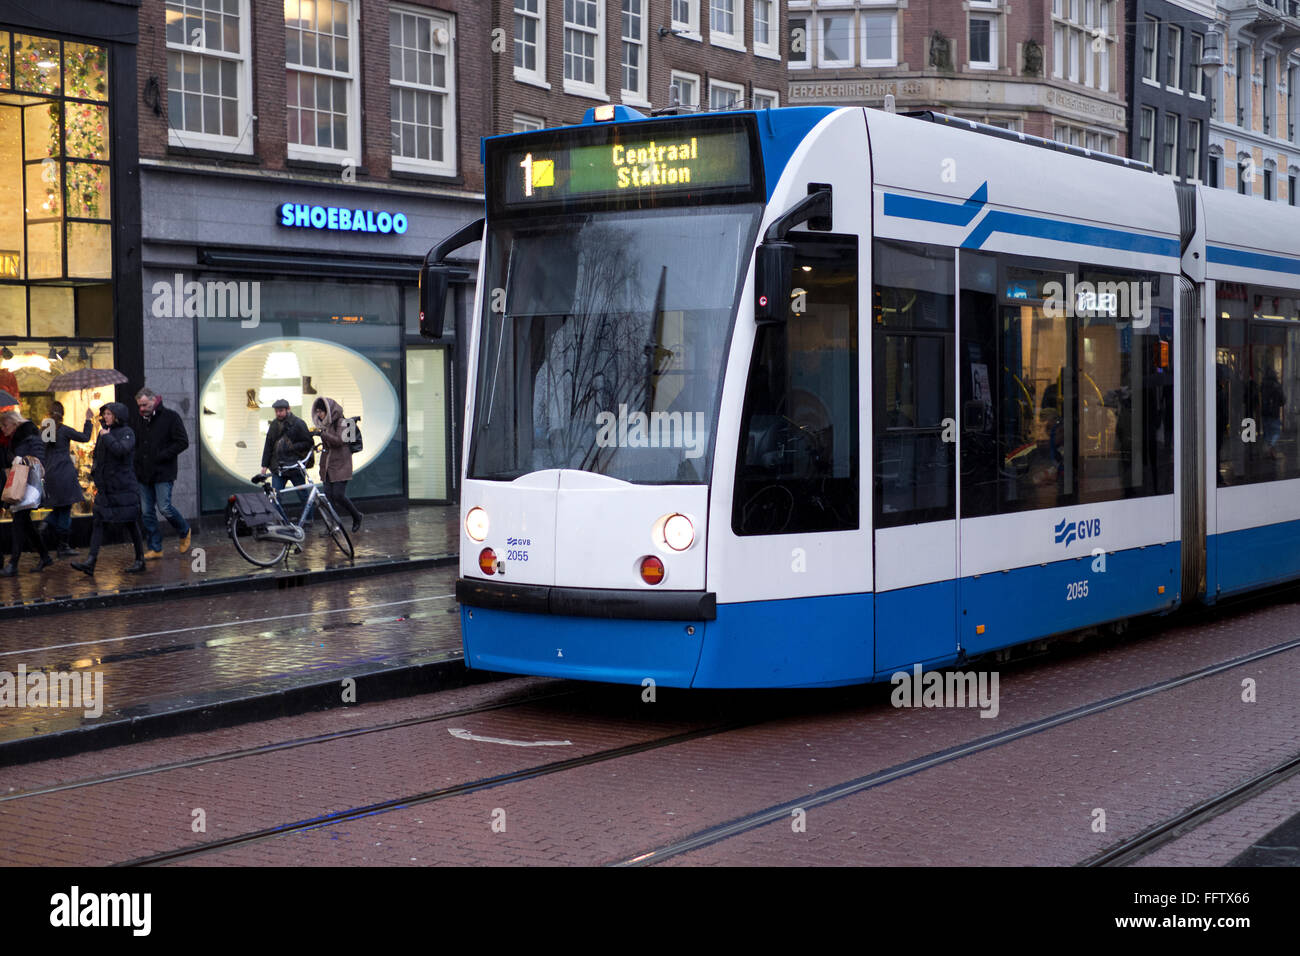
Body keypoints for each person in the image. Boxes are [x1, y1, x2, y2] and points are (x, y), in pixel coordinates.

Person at [71, 402, 146, 576]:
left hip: (124, 487)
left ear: (117, 416)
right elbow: (98, 456)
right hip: (106, 489)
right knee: (98, 522)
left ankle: (140, 559)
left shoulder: (127, 433)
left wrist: (106, 437)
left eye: (109, 414)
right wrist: (95, 475)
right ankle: (91, 561)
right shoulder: (104, 433)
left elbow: (121, 451)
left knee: (130, 522)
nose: (106, 417)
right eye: (104, 414)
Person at [132, 387, 192, 558]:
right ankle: (155, 548)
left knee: (164, 507)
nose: (142, 409)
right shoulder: (139, 419)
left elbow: (183, 442)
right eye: (139, 406)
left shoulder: (171, 417)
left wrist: (162, 455)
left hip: (163, 471)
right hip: (143, 473)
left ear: (153, 400)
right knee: (147, 511)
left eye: (144, 405)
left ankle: (184, 529)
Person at [0, 410, 53, 575]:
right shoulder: (14, 438)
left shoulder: (29, 434)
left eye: (5, 425)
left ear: (14, 423)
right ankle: (45, 556)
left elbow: (39, 459)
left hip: (29, 485)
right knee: (25, 523)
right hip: (20, 483)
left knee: (18, 522)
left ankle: (13, 564)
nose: (3, 428)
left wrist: (21, 460)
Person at [42, 401, 94, 557]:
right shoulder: (63, 430)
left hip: (50, 474)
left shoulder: (44, 430)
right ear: (62, 415)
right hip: (64, 473)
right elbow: (85, 437)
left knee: (59, 507)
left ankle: (46, 524)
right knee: (65, 509)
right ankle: (63, 546)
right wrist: (88, 420)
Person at [311, 396, 362, 533]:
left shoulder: (342, 422)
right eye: (317, 412)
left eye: (321, 411)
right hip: (328, 465)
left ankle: (357, 516)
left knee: (338, 495)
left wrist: (322, 435)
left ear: (328, 411)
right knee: (328, 497)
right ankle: (332, 526)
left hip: (342, 464)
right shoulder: (324, 425)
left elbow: (340, 441)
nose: (319, 414)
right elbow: (328, 443)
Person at [260, 398, 315, 524]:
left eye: (281, 411)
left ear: (288, 409)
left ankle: (308, 520)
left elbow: (309, 443)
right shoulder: (274, 424)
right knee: (275, 497)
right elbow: (268, 445)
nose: (278, 413)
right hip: (278, 467)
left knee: (303, 495)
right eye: (276, 411)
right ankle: (279, 521)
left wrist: (292, 447)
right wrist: (264, 465)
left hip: (294, 466)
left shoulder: (298, 423)